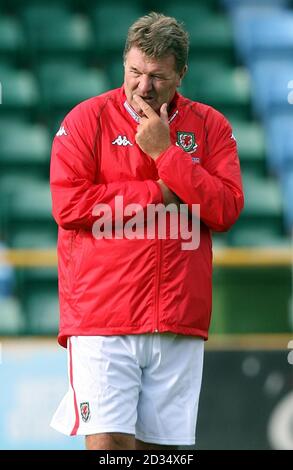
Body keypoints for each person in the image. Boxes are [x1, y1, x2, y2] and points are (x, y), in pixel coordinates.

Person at [49, 12, 244, 450]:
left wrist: (166, 153)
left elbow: (226, 207)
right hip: (103, 316)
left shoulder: (211, 127)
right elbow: (68, 205)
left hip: (178, 317)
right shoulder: (86, 121)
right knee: (110, 447)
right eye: (135, 72)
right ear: (124, 63)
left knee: (164, 454)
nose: (143, 86)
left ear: (181, 74)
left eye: (157, 76)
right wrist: (160, 192)